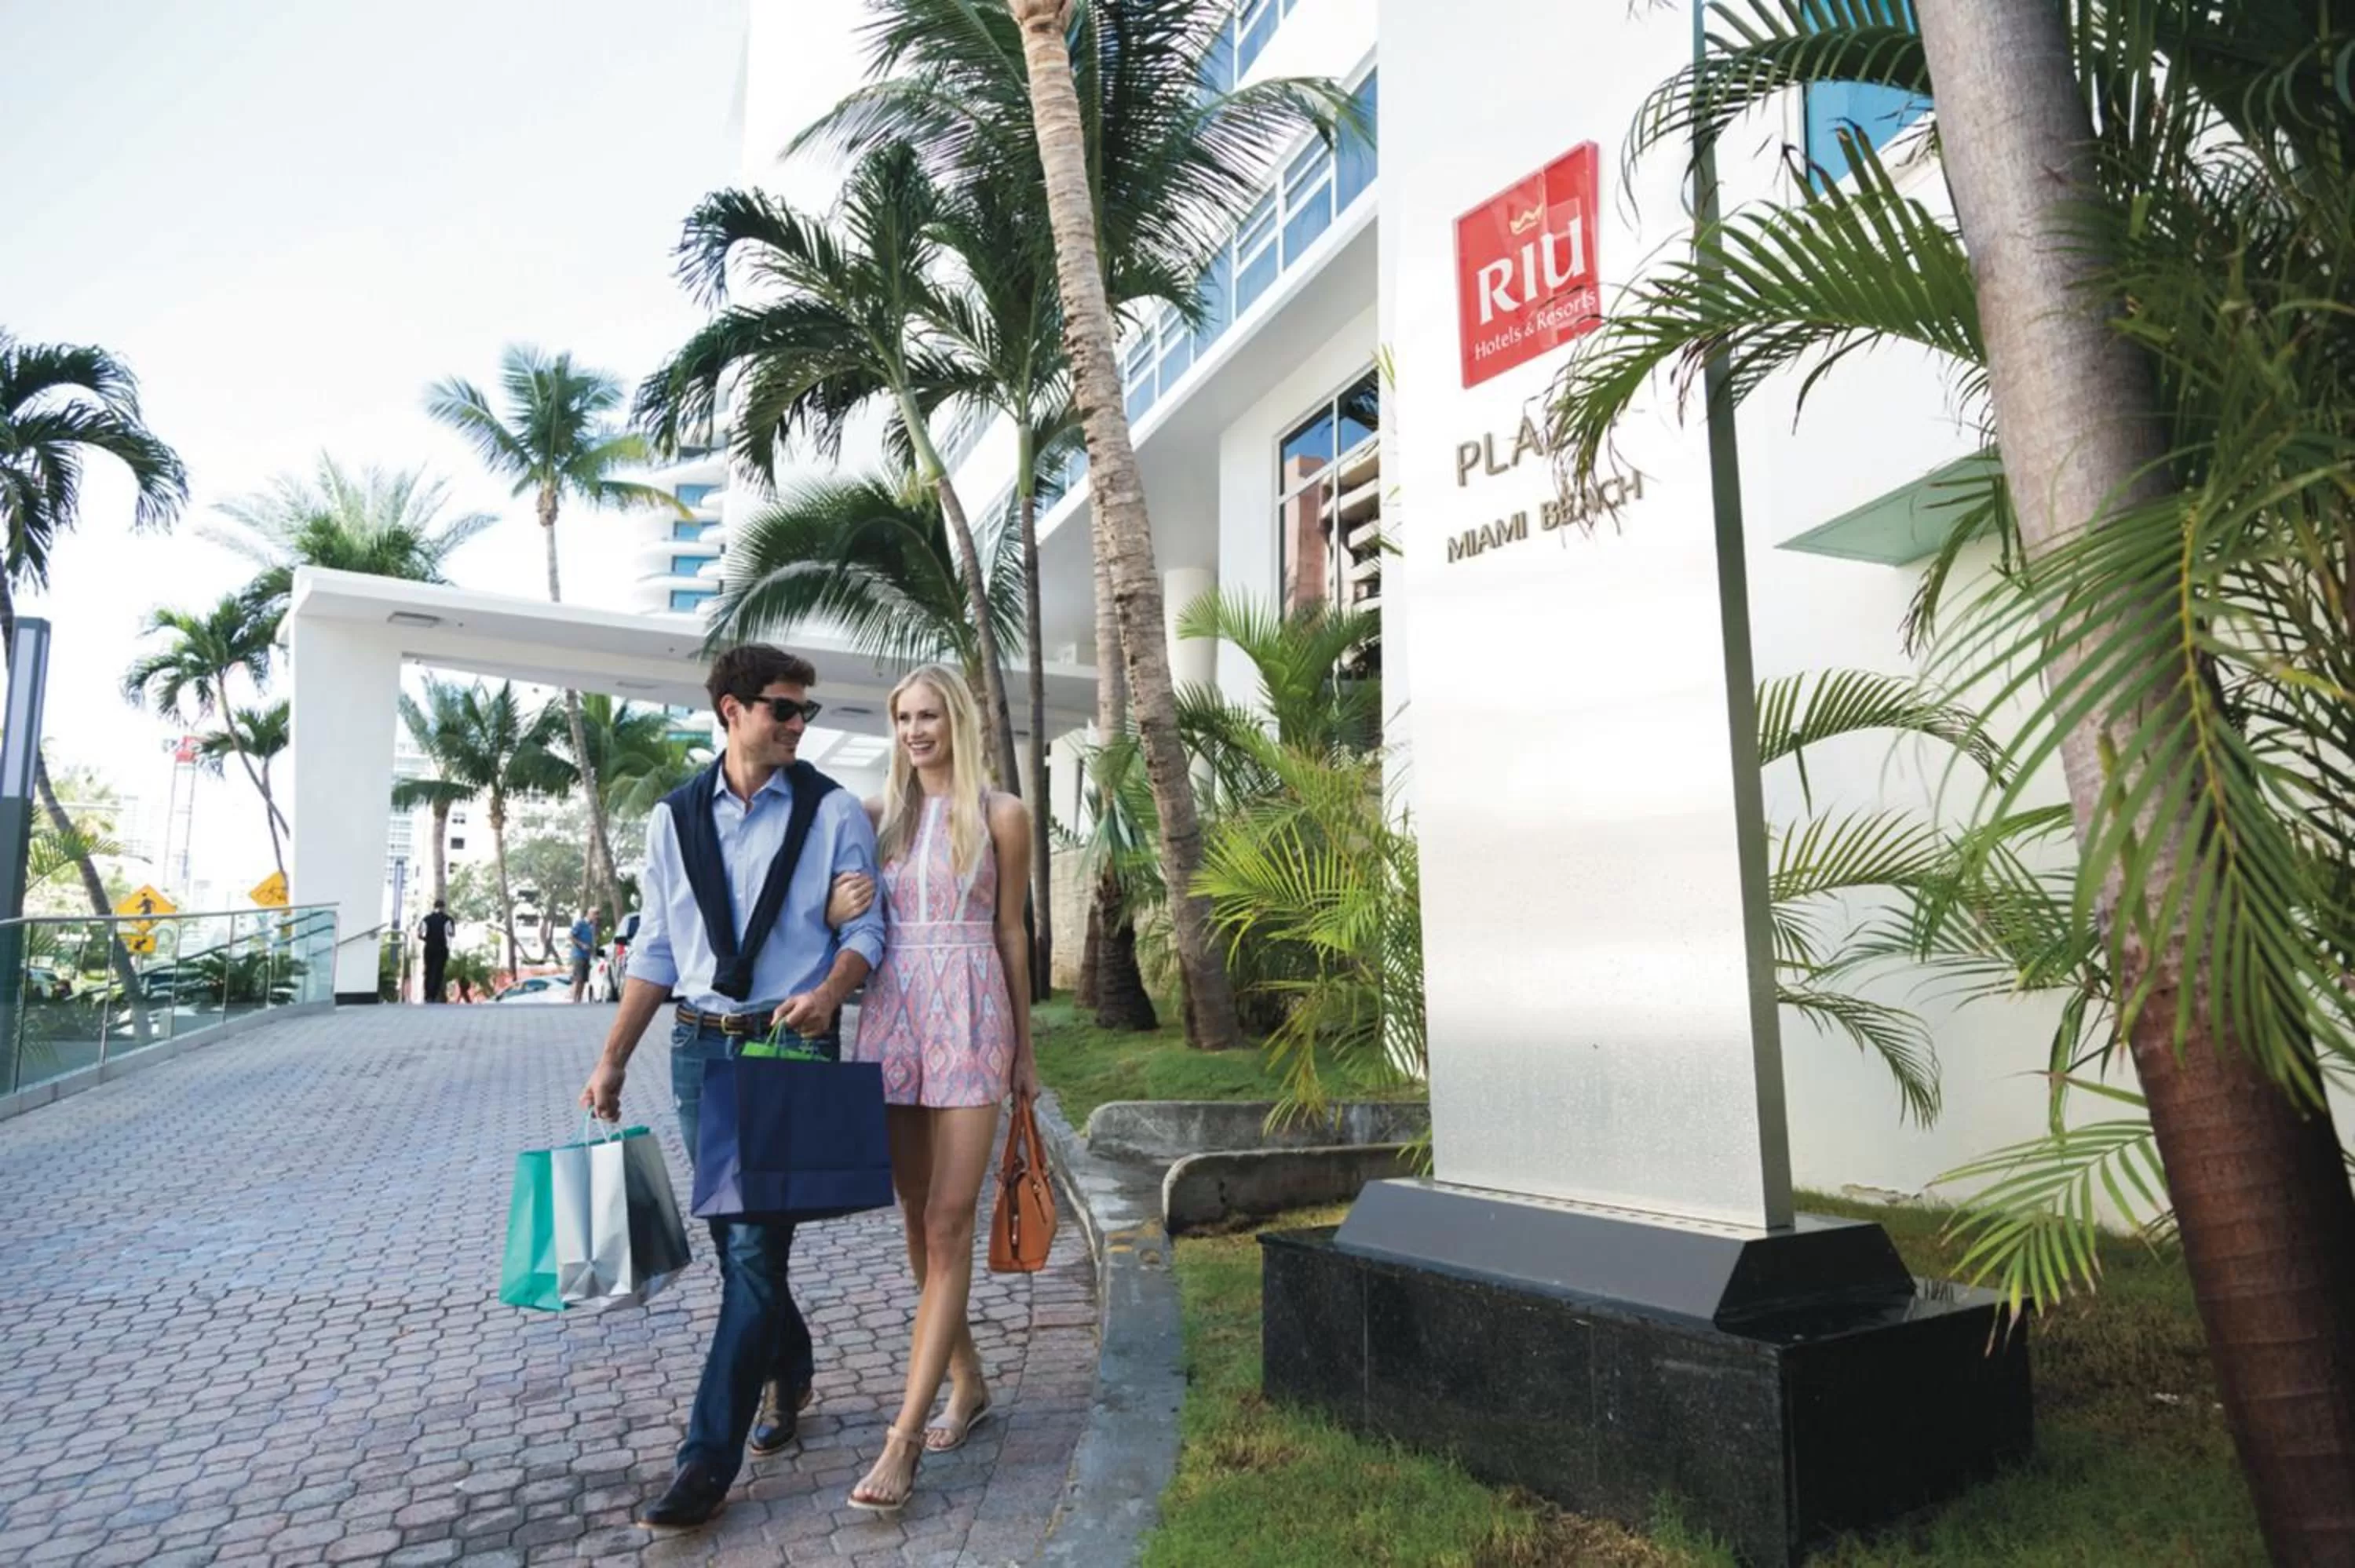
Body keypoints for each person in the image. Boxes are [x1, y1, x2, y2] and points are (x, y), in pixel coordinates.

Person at [579, 644, 887, 1536]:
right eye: (782, 709)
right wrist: (613, 1059)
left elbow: (869, 931)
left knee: (752, 1250)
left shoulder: (832, 812)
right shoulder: (673, 819)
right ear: (731, 711)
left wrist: (830, 992)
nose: (797, 725)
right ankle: (790, 1366)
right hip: (699, 1050)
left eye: (804, 712)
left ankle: (704, 1459)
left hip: (788, 1045)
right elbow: (657, 949)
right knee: (738, 1246)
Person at [832, 663, 1039, 1516]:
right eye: (903, 718)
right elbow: (838, 921)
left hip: (973, 1014)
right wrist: (835, 909)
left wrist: (1026, 1053)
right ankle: (969, 1379)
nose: (915, 731)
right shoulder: (874, 817)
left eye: (929, 716)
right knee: (917, 1217)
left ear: (957, 721)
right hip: (893, 1017)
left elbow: (1012, 933)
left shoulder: (1001, 815)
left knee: (952, 1219)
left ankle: (904, 1437)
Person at [418, 900, 454, 1004]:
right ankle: (434, 995)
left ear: (434, 907)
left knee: (428, 970)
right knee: (438, 972)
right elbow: (451, 933)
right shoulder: (448, 919)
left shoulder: (426, 919)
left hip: (429, 947)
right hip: (442, 948)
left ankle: (427, 995)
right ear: (443, 907)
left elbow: (420, 934)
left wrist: (427, 939)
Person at [569, 908, 600, 1003]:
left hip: (587, 956)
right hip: (579, 955)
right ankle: (574, 1000)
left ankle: (579, 1000)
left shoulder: (592, 927)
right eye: (595, 914)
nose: (596, 916)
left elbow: (593, 941)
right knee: (578, 979)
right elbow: (571, 936)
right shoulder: (580, 924)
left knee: (583, 980)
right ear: (589, 914)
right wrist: (582, 945)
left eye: (597, 914)